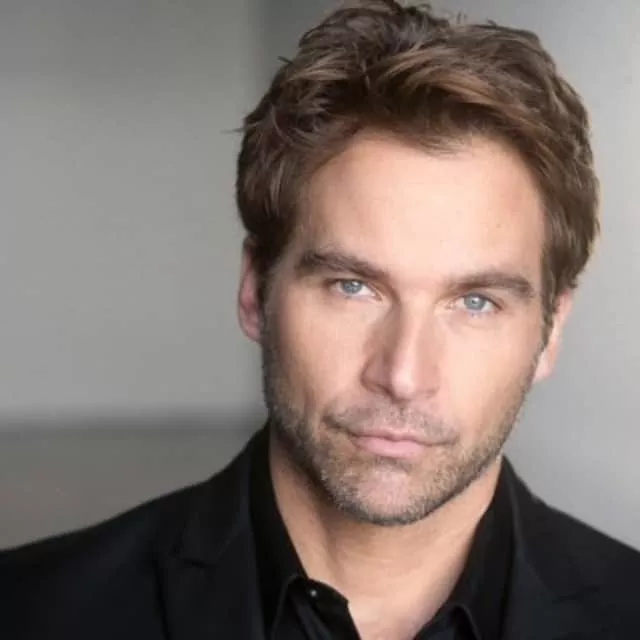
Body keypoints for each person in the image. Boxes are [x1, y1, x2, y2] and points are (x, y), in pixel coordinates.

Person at [2, 1, 639, 638]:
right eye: (353, 287)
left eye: (475, 302)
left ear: (551, 330)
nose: (404, 375)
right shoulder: (31, 611)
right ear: (255, 290)